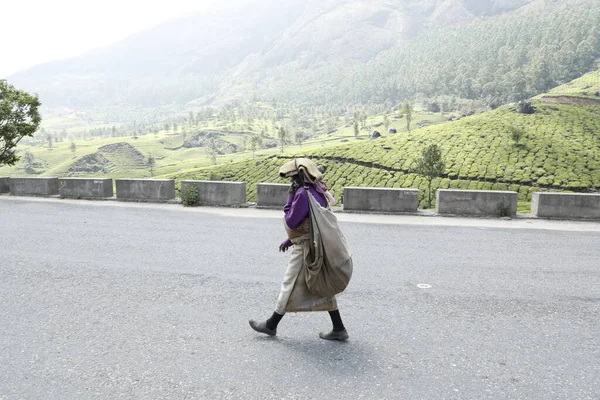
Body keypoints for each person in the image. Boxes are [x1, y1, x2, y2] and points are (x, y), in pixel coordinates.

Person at [249, 158, 349, 340]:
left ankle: (271, 325)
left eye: (292, 178)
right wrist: (289, 240)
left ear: (299, 177)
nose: (291, 182)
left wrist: (289, 197)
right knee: (322, 285)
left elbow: (292, 220)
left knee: (289, 283)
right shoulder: (318, 190)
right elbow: (310, 222)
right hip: (315, 243)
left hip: (305, 248)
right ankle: (339, 328)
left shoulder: (303, 193)